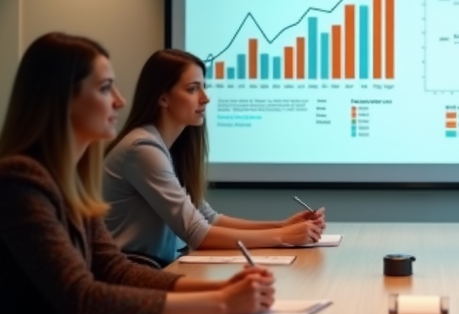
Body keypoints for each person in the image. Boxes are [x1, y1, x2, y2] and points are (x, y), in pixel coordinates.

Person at [0, 33, 275, 314]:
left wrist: (218, 291)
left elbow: (114, 269)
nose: (120, 101)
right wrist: (221, 303)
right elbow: (80, 299)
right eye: (105, 88)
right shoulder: (17, 181)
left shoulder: (67, 177)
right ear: (63, 100)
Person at [103, 49, 325, 264]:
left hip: (153, 268)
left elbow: (209, 219)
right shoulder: (143, 149)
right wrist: (285, 236)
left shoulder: (165, 147)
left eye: (204, 88)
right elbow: (199, 234)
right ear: (163, 98)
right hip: (131, 275)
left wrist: (282, 226)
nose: (205, 98)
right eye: (192, 89)